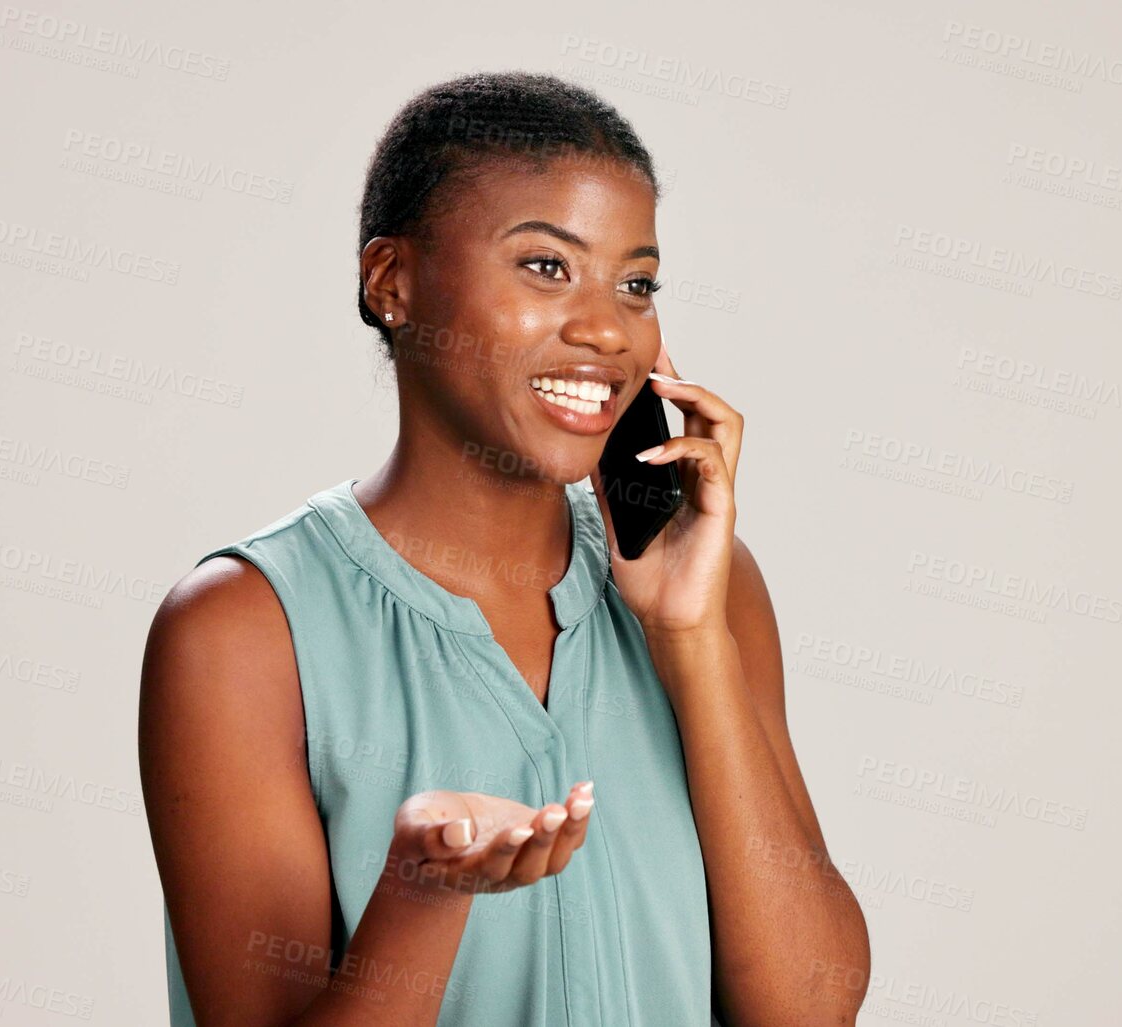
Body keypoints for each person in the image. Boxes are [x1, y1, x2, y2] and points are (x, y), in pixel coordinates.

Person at [138, 70, 870, 1027]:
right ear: (390, 281)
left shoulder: (708, 586)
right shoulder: (243, 628)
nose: (607, 328)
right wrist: (425, 892)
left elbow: (809, 1009)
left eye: (636, 284)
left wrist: (690, 641)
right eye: (545, 266)